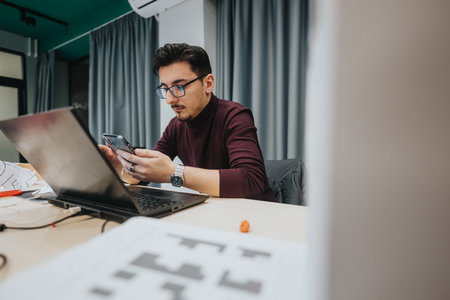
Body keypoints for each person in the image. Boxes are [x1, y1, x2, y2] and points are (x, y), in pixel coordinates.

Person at [100, 43, 275, 202]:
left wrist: (173, 173)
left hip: (255, 214)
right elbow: (146, 174)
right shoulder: (175, 126)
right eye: (165, 89)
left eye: (178, 87)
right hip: (215, 212)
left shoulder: (234, 115)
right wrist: (123, 165)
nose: (169, 99)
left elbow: (252, 181)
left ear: (208, 83)